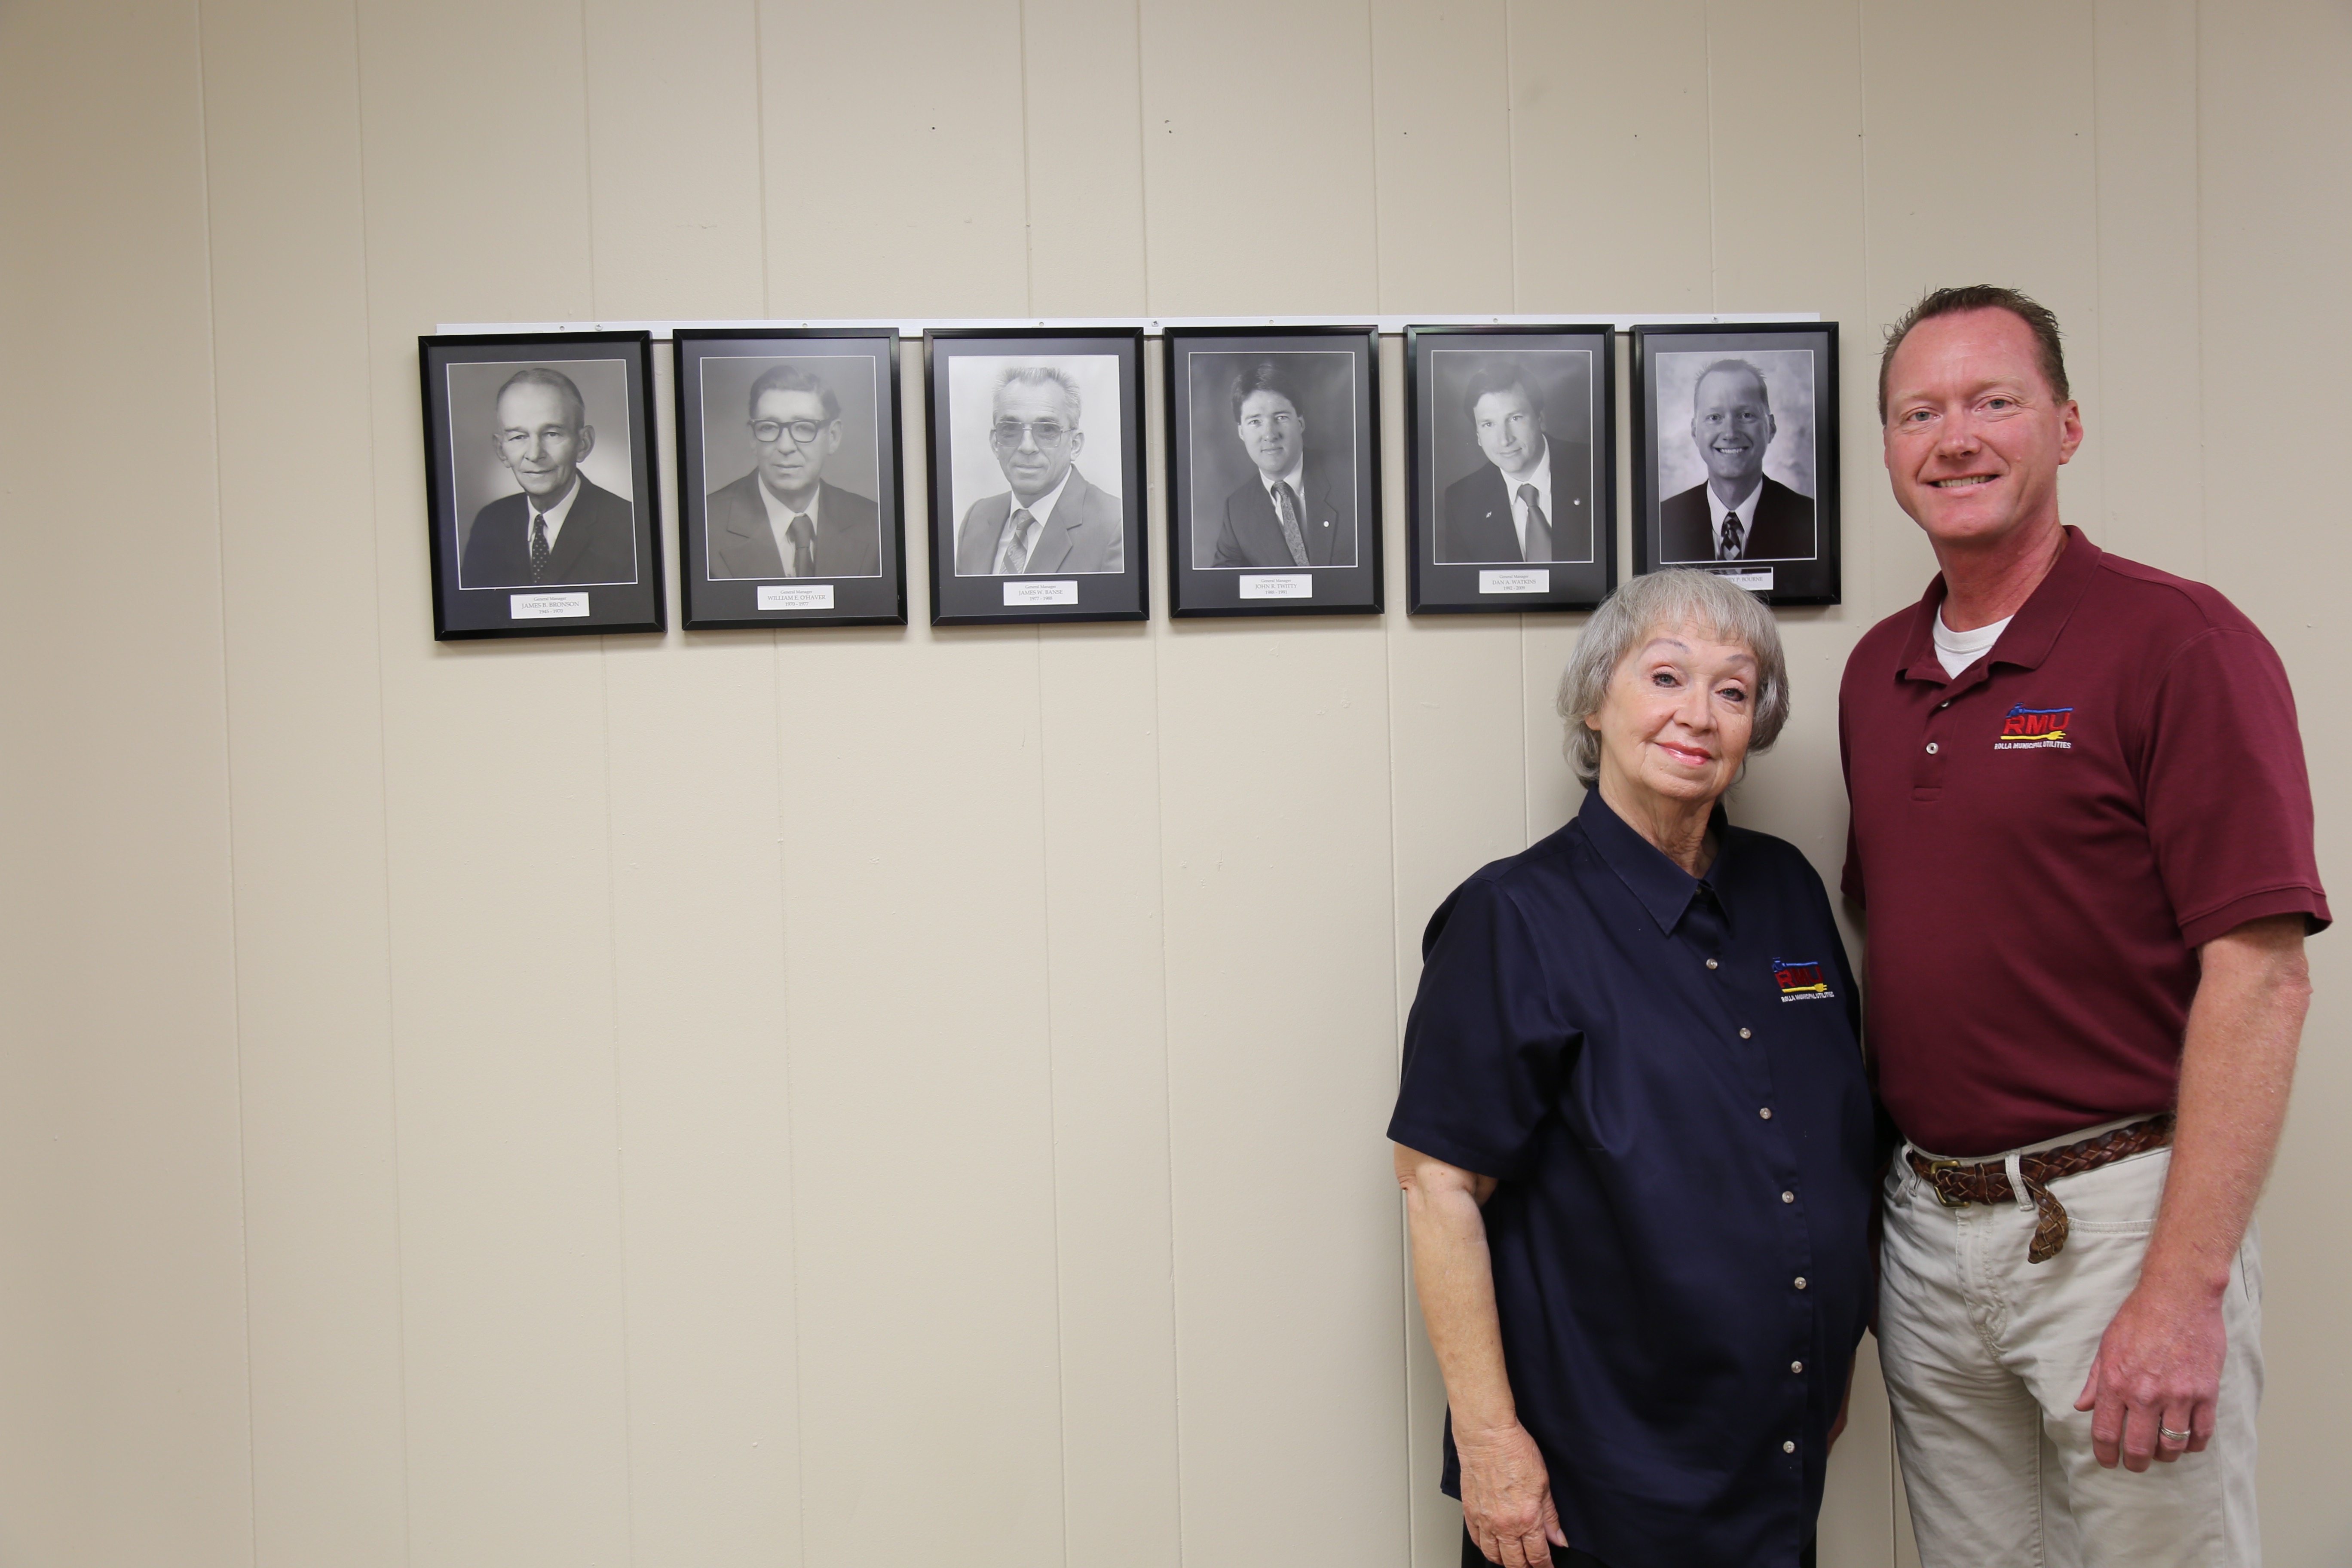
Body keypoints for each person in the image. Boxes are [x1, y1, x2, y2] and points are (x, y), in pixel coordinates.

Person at [1843, 284, 2328, 1567]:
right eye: (1920, 411)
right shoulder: (1875, 676)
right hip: (1930, 1234)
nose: (1956, 436)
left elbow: (2263, 978)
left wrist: (2183, 1289)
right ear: (1888, 450)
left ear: (2065, 425)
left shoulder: (2178, 641)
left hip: (2118, 1222)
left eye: (1993, 401)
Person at [1391, 570, 1876, 1568]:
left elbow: (1833, 1140)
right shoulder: (1511, 918)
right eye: (1663, 677)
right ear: (1591, 701)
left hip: (1773, 1459)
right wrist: (1490, 1446)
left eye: (1732, 690)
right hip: (1596, 1476)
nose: (1695, 714)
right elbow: (1437, 1186)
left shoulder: (1786, 890)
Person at [459, 367, 637, 587]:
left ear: (584, 444)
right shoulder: (490, 523)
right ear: (501, 450)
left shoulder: (629, 528)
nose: (535, 454)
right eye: (518, 437)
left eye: (552, 434)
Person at [705, 363, 881, 579]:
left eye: (804, 427)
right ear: (753, 438)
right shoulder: (704, 527)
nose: (785, 447)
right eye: (769, 427)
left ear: (833, 437)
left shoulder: (875, 524)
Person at [953, 364, 1124, 576]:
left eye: (1047, 430)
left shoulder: (1116, 525)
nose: (1027, 446)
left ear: (1075, 445)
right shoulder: (977, 519)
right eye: (1010, 429)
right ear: (995, 442)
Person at [1657, 360, 1815, 564]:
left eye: (1746, 415)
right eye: (1715, 417)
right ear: (1695, 431)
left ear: (1771, 427)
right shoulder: (1662, 522)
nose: (1730, 433)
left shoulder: (1811, 520)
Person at [1210, 359, 1357, 568]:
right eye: (1255, 422)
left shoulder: (1353, 477)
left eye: (1280, 417)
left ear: (1300, 423)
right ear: (1241, 432)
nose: (1270, 435)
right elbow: (1223, 589)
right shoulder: (1237, 510)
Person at [1439, 367, 1593, 564]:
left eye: (1515, 418)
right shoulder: (1461, 502)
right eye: (1488, 424)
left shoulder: (1593, 468)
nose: (1505, 440)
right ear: (1478, 436)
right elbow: (1464, 590)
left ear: (1540, 419)